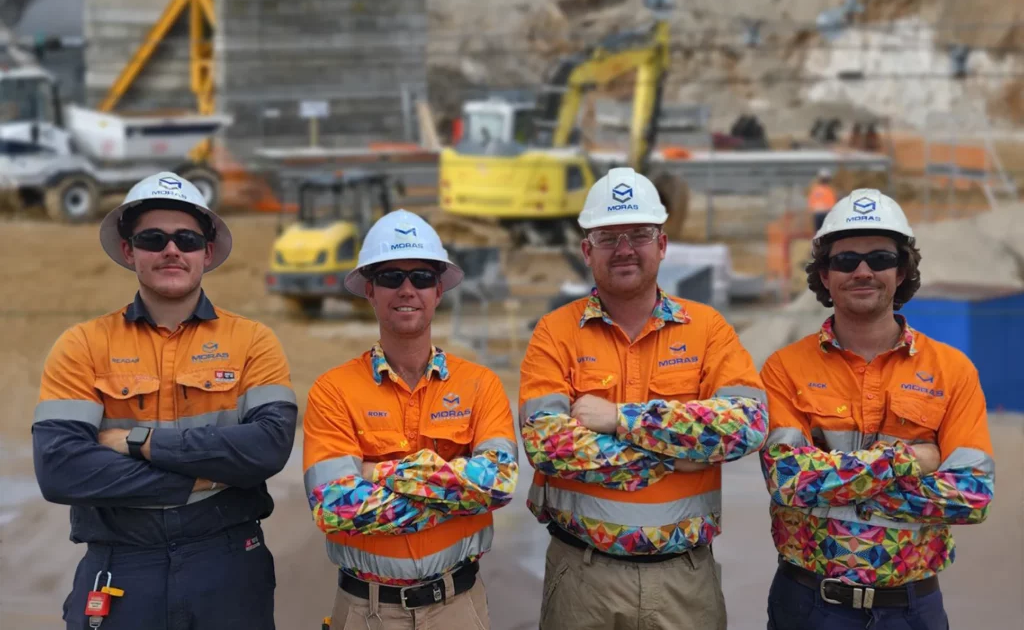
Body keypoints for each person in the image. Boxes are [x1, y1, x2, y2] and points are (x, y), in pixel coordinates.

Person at [32, 172, 298, 629]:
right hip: (122, 567)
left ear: (206, 252)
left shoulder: (253, 342)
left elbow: (268, 447)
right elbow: (60, 469)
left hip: (229, 566)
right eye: (153, 238)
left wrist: (138, 442)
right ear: (129, 249)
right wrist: (197, 481)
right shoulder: (82, 345)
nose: (171, 250)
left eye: (187, 239)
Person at [518, 167, 769, 630]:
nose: (625, 248)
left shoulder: (707, 329)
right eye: (609, 237)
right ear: (586, 250)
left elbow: (746, 425)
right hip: (582, 579)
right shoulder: (554, 333)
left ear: (663, 244)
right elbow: (548, 446)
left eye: (639, 233)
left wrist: (621, 419)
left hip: (683, 581)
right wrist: (678, 459)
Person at [759, 188, 995, 629]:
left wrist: (832, 484)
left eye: (880, 258)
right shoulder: (785, 368)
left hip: (912, 609)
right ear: (825, 275)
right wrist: (910, 459)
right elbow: (789, 483)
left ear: (902, 270)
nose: (863, 271)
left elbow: (971, 497)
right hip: (809, 605)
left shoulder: (952, 370)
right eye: (846, 260)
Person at [302, 209, 518, 629]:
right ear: (370, 289)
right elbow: (333, 507)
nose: (406, 289)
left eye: (420, 277)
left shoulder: (481, 385)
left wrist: (377, 473)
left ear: (438, 290)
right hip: (366, 612)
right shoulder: (333, 390)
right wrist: (455, 495)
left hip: (458, 607)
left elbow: (498, 483)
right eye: (390, 277)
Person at [808, 168, 837, 233]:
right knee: (826, 232)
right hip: (825, 213)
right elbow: (832, 204)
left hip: (818, 213)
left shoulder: (815, 190)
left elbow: (811, 204)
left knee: (818, 232)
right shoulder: (829, 190)